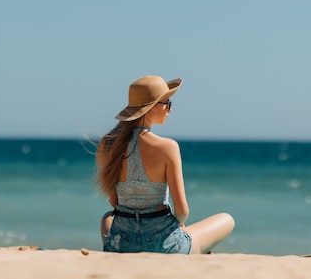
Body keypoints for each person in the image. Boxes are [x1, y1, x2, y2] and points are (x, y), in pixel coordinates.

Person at [95, 75, 235, 254]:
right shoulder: (167, 147)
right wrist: (180, 226)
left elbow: (114, 202)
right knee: (227, 219)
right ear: (151, 107)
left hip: (122, 244)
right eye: (167, 103)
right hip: (163, 245)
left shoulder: (108, 144)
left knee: (107, 218)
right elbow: (182, 211)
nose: (170, 109)